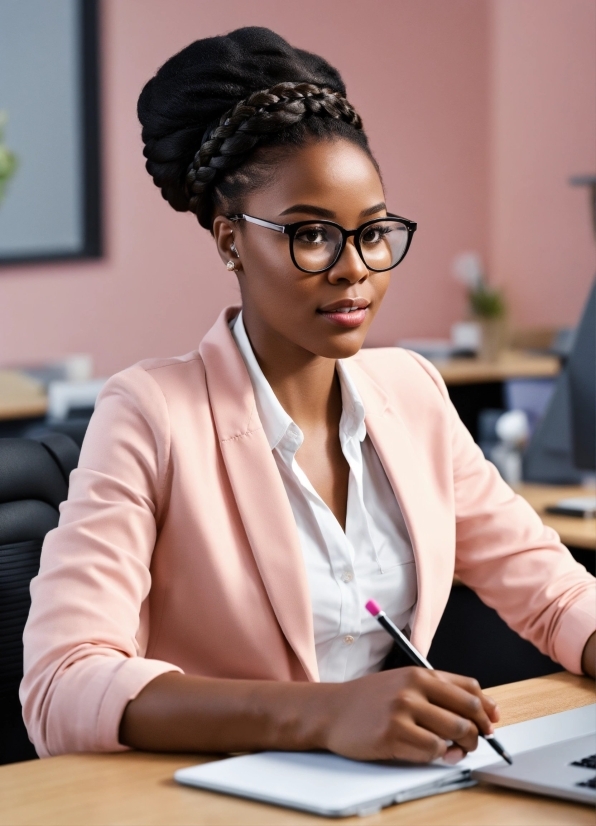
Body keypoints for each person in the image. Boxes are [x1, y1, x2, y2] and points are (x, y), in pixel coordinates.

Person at [21, 27, 595, 763]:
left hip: (386, 789)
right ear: (230, 242)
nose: (355, 269)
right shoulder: (149, 412)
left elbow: (553, 595)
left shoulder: (410, 391)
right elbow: (62, 685)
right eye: (312, 235)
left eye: (374, 233)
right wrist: (320, 715)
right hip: (215, 801)